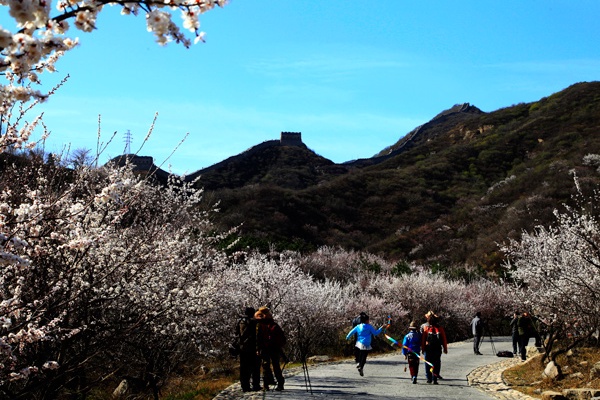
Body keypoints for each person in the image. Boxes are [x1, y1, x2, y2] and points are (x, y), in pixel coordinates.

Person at [255, 306, 286, 391]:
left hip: (267, 348)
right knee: (274, 366)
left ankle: (266, 385)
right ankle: (279, 383)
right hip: (273, 348)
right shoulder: (273, 324)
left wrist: (258, 349)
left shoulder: (261, 325)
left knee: (266, 367)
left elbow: (258, 338)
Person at [235, 307, 261, 392]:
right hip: (252, 348)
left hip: (242, 348)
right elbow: (257, 336)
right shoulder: (254, 322)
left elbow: (236, 334)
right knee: (255, 368)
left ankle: (244, 386)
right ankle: (255, 385)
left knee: (244, 368)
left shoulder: (239, 321)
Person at [421, 313, 448, 384]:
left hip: (428, 348)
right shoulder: (440, 328)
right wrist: (445, 348)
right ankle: (435, 378)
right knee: (436, 363)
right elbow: (444, 339)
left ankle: (429, 378)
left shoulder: (426, 328)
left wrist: (423, 349)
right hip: (437, 348)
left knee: (428, 363)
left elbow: (423, 339)